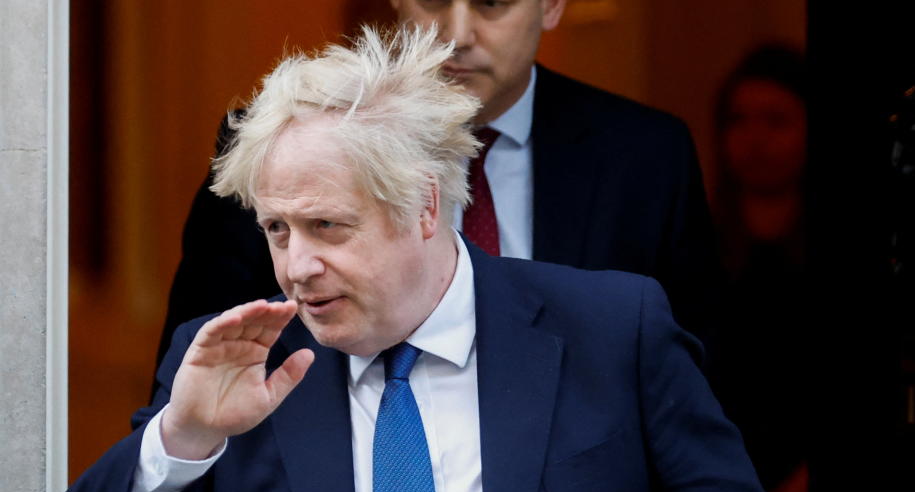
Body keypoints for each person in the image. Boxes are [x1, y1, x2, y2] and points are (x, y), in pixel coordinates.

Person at [45, 26, 804, 492]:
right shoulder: (240, 359)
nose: (296, 266)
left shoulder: (614, 330)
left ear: (426, 207)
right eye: (277, 230)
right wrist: (182, 437)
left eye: (327, 226)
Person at [155, 0, 725, 373]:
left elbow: (693, 379)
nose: (457, 34)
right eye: (432, 0)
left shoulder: (645, 155)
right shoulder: (275, 142)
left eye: (492, 3)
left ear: (551, 5)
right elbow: (196, 363)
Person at [710, 45, 809, 492]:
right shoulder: (700, 239)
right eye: (739, 120)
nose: (755, 140)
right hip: (718, 486)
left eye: (776, 121)